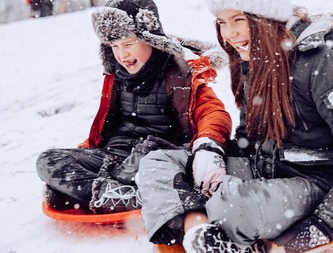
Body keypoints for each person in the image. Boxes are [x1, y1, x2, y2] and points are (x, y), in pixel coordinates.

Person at [139, 0, 333, 253]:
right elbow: (249, 136)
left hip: (317, 185)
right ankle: (199, 230)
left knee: (232, 206)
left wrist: (325, 225)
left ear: (267, 18)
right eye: (222, 23)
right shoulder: (260, 56)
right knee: (159, 162)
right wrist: (211, 156)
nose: (229, 34)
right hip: (266, 172)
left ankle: (210, 221)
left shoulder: (329, 62)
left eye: (239, 19)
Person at [36, 0, 231, 215]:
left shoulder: (178, 75)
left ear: (151, 39)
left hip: (156, 157)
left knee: (146, 154)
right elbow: (108, 126)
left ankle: (117, 188)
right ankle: (115, 193)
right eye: (114, 47)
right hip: (115, 155)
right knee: (48, 160)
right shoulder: (117, 76)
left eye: (128, 44)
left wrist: (207, 146)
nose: (122, 55)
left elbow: (213, 112)